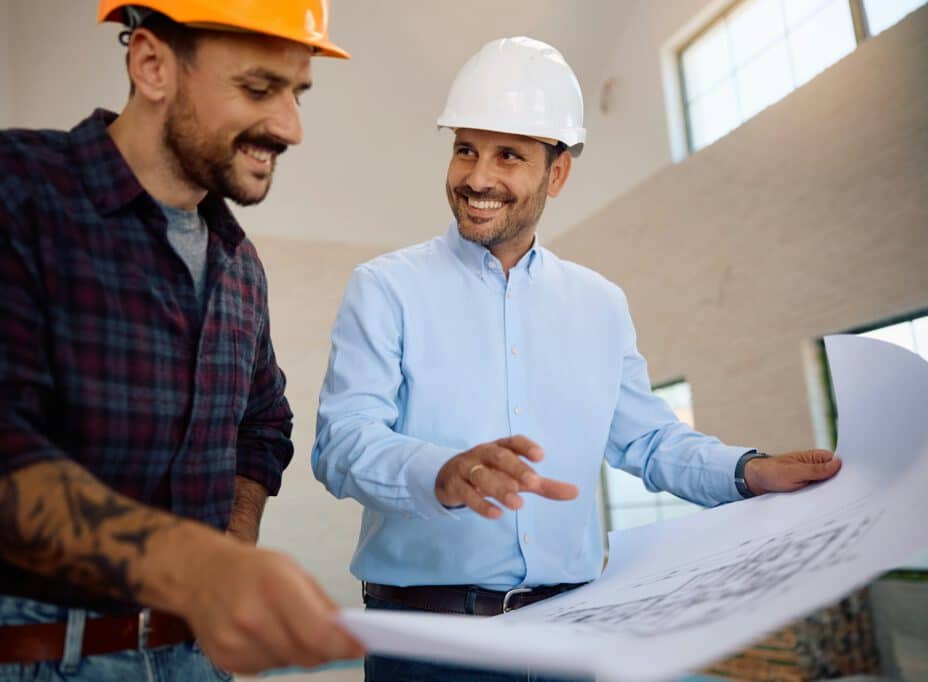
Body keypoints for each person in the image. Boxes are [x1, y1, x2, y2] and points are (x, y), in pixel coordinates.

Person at [312, 36, 842, 682]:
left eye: (508, 155)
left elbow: (648, 440)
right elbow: (340, 445)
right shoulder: (386, 287)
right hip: (429, 647)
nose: (477, 177)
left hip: (569, 638)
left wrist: (748, 471)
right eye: (465, 150)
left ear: (556, 173)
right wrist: (440, 472)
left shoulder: (600, 304)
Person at [0, 1, 364, 679]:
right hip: (16, 654)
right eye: (259, 89)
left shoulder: (239, 264)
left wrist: (231, 555)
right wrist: (199, 567)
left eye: (297, 94)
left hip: (192, 658)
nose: (290, 127)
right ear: (152, 65)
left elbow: (262, 427)